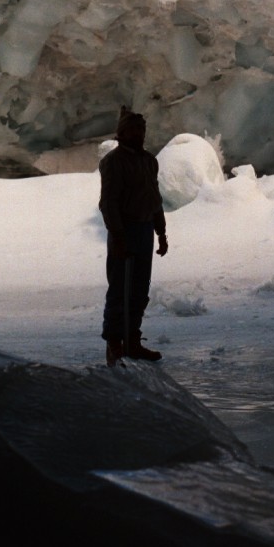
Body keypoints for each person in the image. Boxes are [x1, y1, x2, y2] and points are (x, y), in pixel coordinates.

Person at [99, 106, 169, 365]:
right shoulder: (114, 162)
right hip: (125, 229)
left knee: (139, 289)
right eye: (133, 129)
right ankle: (114, 344)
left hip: (144, 230)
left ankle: (132, 341)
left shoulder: (149, 160)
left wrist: (161, 231)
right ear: (122, 132)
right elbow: (109, 202)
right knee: (120, 288)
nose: (139, 133)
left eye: (141, 129)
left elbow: (155, 199)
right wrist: (117, 236)